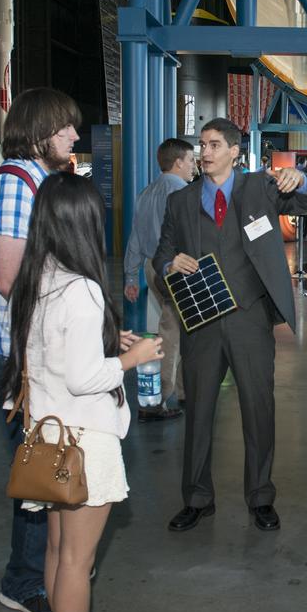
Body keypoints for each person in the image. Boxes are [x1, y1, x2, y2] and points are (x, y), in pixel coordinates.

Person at [2, 172, 161, 612]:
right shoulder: (84, 288)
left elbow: (49, 352)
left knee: (56, 549)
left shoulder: (38, 278)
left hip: (49, 438)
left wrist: (107, 338)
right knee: (76, 559)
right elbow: (84, 378)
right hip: (85, 441)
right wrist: (133, 357)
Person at [154, 117, 307, 533]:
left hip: (250, 319)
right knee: (199, 412)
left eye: (214, 145)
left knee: (258, 408)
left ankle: (261, 496)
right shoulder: (181, 202)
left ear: (234, 151)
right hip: (202, 323)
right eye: (202, 145)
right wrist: (168, 264)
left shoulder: (261, 188)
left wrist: (299, 179)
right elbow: (162, 254)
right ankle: (196, 497)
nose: (205, 152)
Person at [0, 87, 81, 612]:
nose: (75, 137)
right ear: (39, 136)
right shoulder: (15, 188)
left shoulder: (37, 184)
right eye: (65, 130)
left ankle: (47, 565)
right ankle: (26, 580)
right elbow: (14, 281)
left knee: (43, 459)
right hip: (15, 349)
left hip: (31, 345)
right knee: (39, 468)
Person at [123, 137, 195, 421]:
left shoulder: (145, 193)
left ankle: (184, 389)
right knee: (172, 331)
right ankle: (156, 399)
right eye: (190, 161)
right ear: (178, 162)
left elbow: (136, 238)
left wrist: (131, 275)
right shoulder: (184, 194)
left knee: (181, 325)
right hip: (178, 268)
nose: (194, 166)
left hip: (153, 269)